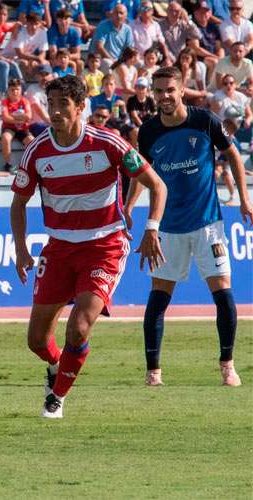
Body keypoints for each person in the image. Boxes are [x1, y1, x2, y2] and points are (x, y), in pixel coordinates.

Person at [11, 75, 167, 419]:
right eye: (50, 104)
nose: (55, 112)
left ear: (81, 107)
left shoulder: (107, 142)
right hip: (59, 248)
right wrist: (21, 250)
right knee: (37, 340)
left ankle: (57, 398)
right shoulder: (37, 150)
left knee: (79, 326)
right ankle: (58, 366)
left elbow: (155, 184)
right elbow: (18, 204)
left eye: (63, 105)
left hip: (105, 245)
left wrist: (150, 227)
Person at [125, 65, 252, 388]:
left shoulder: (204, 121)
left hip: (208, 224)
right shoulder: (150, 132)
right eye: (159, 91)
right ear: (153, 94)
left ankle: (227, 365)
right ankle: (153, 372)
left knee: (223, 293)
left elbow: (233, 155)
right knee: (158, 297)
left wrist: (243, 198)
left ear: (182, 90)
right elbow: (143, 173)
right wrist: (127, 207)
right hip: (168, 227)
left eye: (170, 90)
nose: (164, 96)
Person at [0, 78, 33, 173]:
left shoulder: (25, 101)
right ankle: (8, 164)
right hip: (9, 128)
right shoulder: (5, 102)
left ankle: (28, 164)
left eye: (17, 89)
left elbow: (29, 116)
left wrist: (13, 117)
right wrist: (20, 119)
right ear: (8, 90)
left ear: (21, 90)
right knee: (5, 137)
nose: (15, 92)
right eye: (12, 89)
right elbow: (5, 118)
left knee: (31, 141)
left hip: (23, 129)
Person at [90, 4, 134, 73]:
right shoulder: (103, 25)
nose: (118, 15)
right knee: (108, 63)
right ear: (112, 14)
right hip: (103, 58)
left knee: (137, 65)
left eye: (121, 13)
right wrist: (112, 60)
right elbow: (99, 46)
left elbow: (129, 49)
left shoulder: (127, 29)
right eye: (116, 13)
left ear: (126, 16)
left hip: (120, 60)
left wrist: (122, 61)